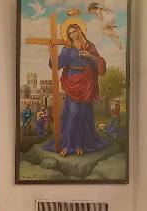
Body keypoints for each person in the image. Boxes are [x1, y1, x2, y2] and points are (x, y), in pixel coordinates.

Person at [43, 18, 108, 157]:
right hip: (73, 82)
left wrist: (90, 55)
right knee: (72, 113)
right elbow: (58, 64)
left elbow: (100, 64)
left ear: (80, 31)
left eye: (75, 31)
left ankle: (79, 144)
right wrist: (51, 53)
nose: (73, 34)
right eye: (70, 32)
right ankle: (68, 145)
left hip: (87, 83)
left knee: (82, 114)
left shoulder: (89, 46)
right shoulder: (68, 48)